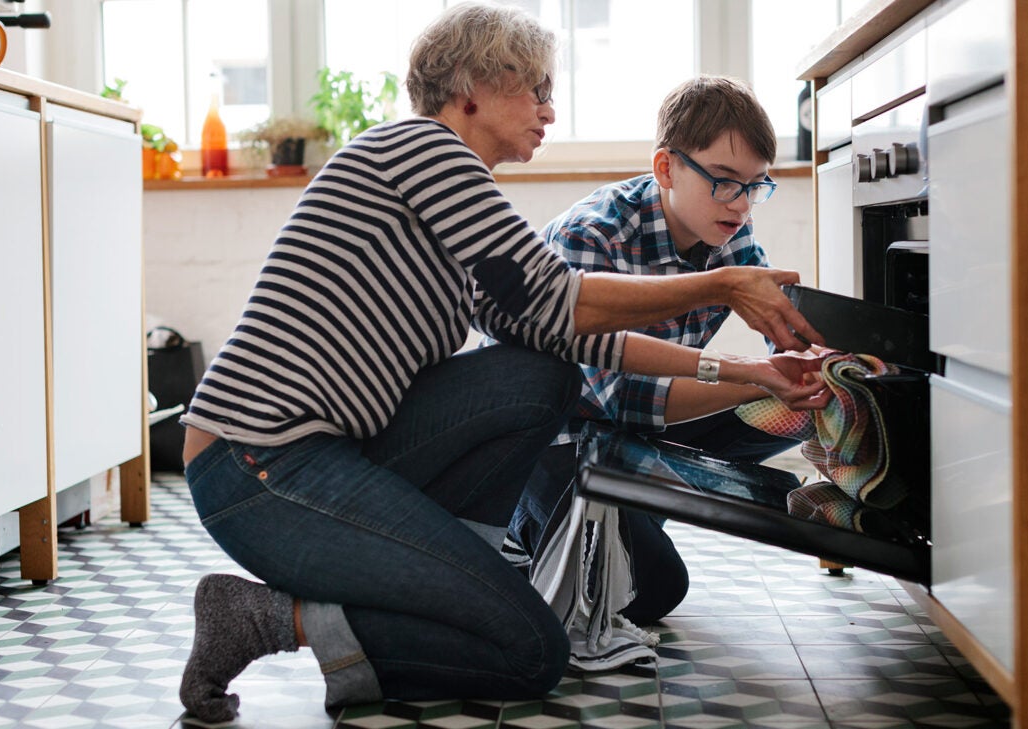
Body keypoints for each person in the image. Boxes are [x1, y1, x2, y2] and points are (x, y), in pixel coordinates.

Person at [175, 4, 826, 723]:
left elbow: (573, 339)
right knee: (530, 653)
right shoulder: (424, 151)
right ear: (471, 89)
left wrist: (751, 376)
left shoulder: (462, 200)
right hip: (258, 461)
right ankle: (264, 618)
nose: (550, 109)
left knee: (538, 373)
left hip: (332, 454)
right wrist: (722, 285)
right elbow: (562, 299)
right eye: (535, 89)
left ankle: (465, 571)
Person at [505, 76, 832, 627]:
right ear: (666, 169)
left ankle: (626, 509)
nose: (743, 205)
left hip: (629, 435)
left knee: (798, 407)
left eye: (756, 185)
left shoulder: (732, 235)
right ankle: (520, 522)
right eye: (725, 183)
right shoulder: (592, 237)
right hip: (550, 437)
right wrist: (762, 376)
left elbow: (787, 341)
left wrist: (826, 366)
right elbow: (621, 398)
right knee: (652, 591)